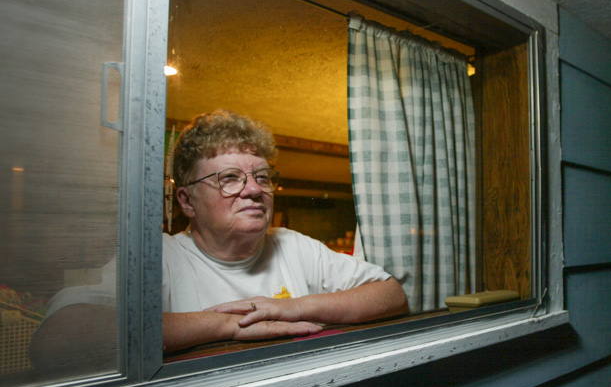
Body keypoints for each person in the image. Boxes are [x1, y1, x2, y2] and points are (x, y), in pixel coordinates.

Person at [30, 110, 408, 368]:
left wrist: (292, 307)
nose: (254, 190)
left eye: (262, 177)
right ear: (187, 201)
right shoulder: (160, 257)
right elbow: (57, 340)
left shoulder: (292, 245)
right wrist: (228, 326)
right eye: (230, 178)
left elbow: (392, 295)